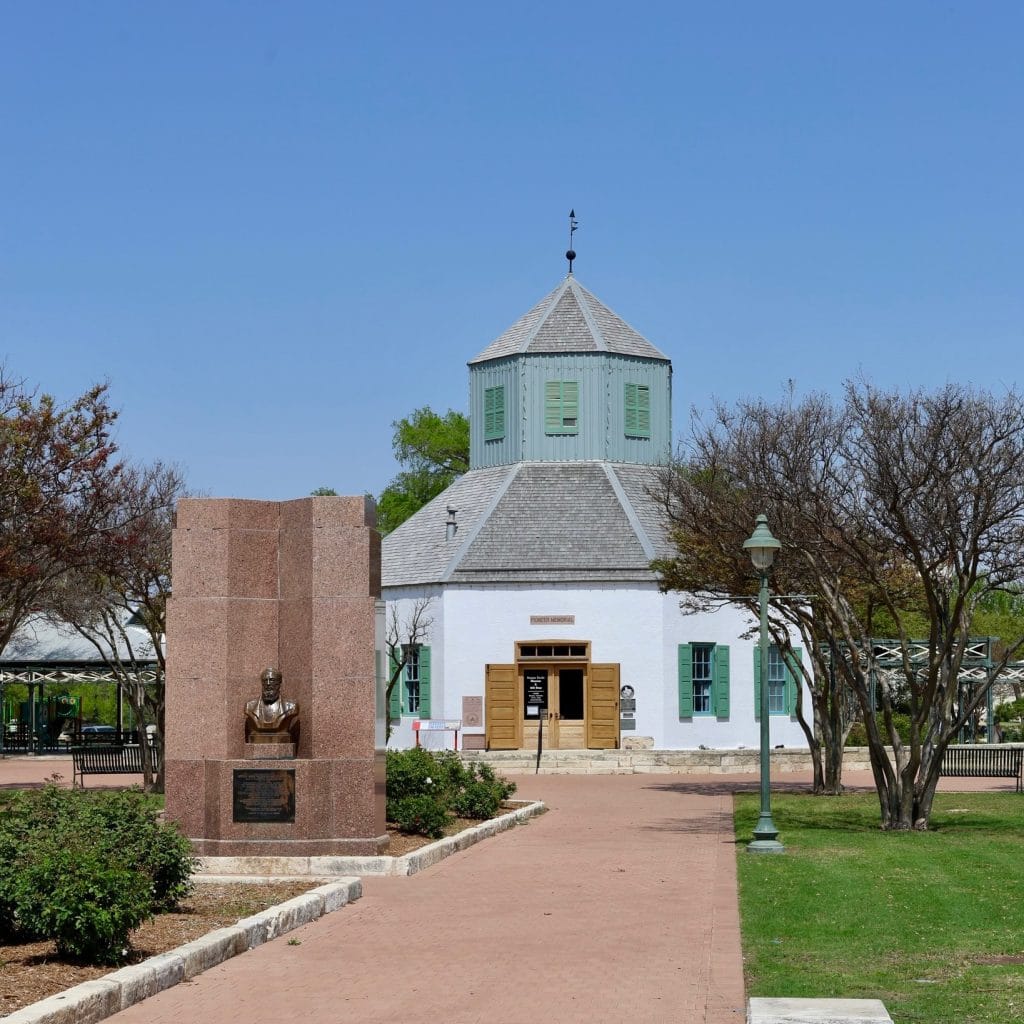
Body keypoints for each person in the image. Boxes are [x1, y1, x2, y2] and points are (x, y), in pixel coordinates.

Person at [244, 668, 300, 744]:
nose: (268, 683)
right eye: (265, 680)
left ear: (279, 682)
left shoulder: (291, 707)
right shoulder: (249, 706)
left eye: (272, 680)